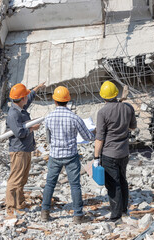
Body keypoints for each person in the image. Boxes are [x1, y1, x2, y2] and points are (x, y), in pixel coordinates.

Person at [41, 86, 95, 224]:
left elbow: (48, 139)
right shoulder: (74, 118)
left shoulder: (48, 118)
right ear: (68, 101)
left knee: (50, 184)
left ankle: (45, 213)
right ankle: (78, 215)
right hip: (71, 156)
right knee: (75, 185)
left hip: (55, 155)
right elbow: (88, 137)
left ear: (54, 101)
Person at [94, 81, 137, 224]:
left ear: (103, 97)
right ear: (116, 94)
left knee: (113, 184)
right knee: (123, 180)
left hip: (109, 154)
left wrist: (95, 157)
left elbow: (99, 138)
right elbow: (132, 128)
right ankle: (124, 209)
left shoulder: (102, 112)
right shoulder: (128, 108)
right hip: (124, 152)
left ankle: (115, 216)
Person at [5, 82, 45, 211]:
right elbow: (19, 133)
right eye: (26, 95)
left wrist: (36, 88)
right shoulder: (14, 114)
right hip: (19, 150)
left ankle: (20, 203)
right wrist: (32, 128)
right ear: (22, 98)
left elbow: (29, 99)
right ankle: (11, 207)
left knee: (22, 178)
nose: (27, 98)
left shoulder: (20, 108)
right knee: (15, 179)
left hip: (25, 149)